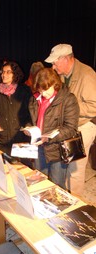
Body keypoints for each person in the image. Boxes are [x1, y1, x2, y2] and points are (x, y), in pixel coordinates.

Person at [45, 43, 96, 197]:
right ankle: (65, 200)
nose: (53, 67)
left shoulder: (87, 74)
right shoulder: (62, 75)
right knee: (65, 167)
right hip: (69, 126)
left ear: (66, 59)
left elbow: (94, 105)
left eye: (55, 62)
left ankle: (75, 209)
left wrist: (70, 109)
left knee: (75, 171)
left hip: (84, 126)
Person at [26, 68, 79, 189]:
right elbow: (34, 119)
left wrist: (48, 138)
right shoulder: (34, 99)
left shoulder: (68, 99)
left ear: (55, 84)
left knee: (56, 186)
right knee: (40, 182)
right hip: (39, 147)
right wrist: (29, 128)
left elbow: (71, 128)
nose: (43, 93)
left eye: (46, 89)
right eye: (40, 90)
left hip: (57, 150)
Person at [0, 61, 32, 157]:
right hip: (2, 139)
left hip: (21, 139)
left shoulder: (24, 91)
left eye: (8, 72)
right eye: (2, 72)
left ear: (15, 74)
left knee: (23, 169)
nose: (4, 74)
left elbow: (31, 112)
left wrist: (28, 126)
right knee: (3, 169)